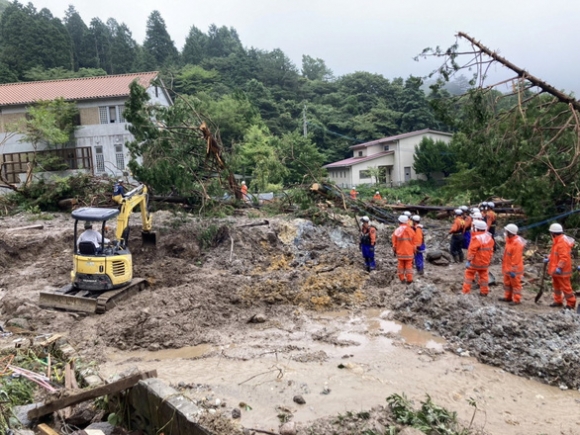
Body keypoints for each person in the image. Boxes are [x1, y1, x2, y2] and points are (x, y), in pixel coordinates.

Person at [545, 223, 577, 309]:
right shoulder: (557, 241)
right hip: (556, 270)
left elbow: (564, 257)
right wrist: (549, 258)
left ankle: (571, 303)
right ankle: (558, 301)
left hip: (562, 271)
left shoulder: (562, 242)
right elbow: (555, 254)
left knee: (566, 288)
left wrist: (559, 267)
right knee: (557, 287)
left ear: (553, 233)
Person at [463, 219, 494, 296]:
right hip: (485, 262)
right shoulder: (489, 237)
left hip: (475, 262)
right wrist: (489, 260)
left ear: (476, 228)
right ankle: (484, 292)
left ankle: (466, 292)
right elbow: (491, 251)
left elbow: (472, 251)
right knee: (484, 276)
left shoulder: (476, 238)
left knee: (469, 275)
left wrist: (469, 260)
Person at [499, 224, 526, 305]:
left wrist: (513, 270)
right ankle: (508, 297)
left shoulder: (516, 243)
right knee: (507, 283)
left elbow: (516, 258)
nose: (505, 233)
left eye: (507, 231)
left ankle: (517, 299)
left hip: (514, 269)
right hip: (508, 267)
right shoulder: (509, 241)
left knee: (516, 285)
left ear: (510, 233)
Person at [392, 215, 415, 284]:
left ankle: (402, 278)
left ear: (399, 222)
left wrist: (394, 250)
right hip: (409, 252)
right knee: (409, 266)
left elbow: (394, 243)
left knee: (400, 266)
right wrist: (414, 251)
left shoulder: (397, 231)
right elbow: (414, 242)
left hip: (400, 252)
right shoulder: (411, 230)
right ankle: (409, 279)